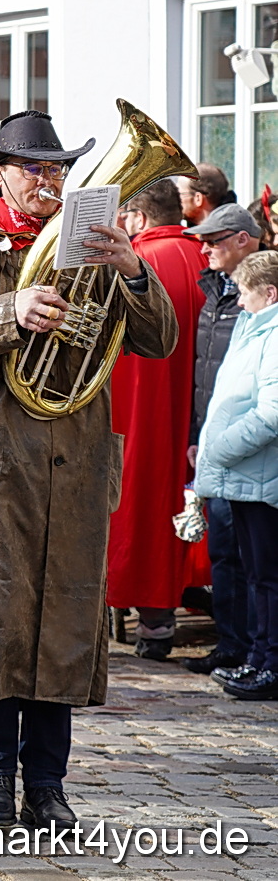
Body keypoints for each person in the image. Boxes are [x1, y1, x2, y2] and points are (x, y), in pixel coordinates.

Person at [0, 110, 176, 831]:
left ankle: (49, 782)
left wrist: (132, 268)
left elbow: (159, 341)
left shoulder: (90, 246)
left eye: (58, 170)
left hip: (74, 462)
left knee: (61, 621)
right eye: (34, 168)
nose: (48, 181)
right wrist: (10, 309)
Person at [107, 179, 209, 660]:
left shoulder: (140, 263)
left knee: (141, 500)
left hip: (142, 404)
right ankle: (166, 616)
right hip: (197, 411)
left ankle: (151, 616)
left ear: (140, 220)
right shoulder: (204, 254)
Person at [182, 203, 265, 676]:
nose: (205, 248)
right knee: (224, 552)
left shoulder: (261, 293)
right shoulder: (215, 291)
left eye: (215, 240)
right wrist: (199, 434)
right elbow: (206, 374)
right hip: (216, 440)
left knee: (255, 558)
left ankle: (258, 651)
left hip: (250, 445)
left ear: (242, 240)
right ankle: (231, 644)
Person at [193, 251, 278, 699]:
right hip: (249, 475)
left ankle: (271, 663)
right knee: (257, 574)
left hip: (260, 476)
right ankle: (260, 658)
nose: (239, 302)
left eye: (245, 293)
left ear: (270, 293)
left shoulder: (273, 333)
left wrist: (220, 450)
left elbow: (271, 413)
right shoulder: (257, 327)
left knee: (267, 576)